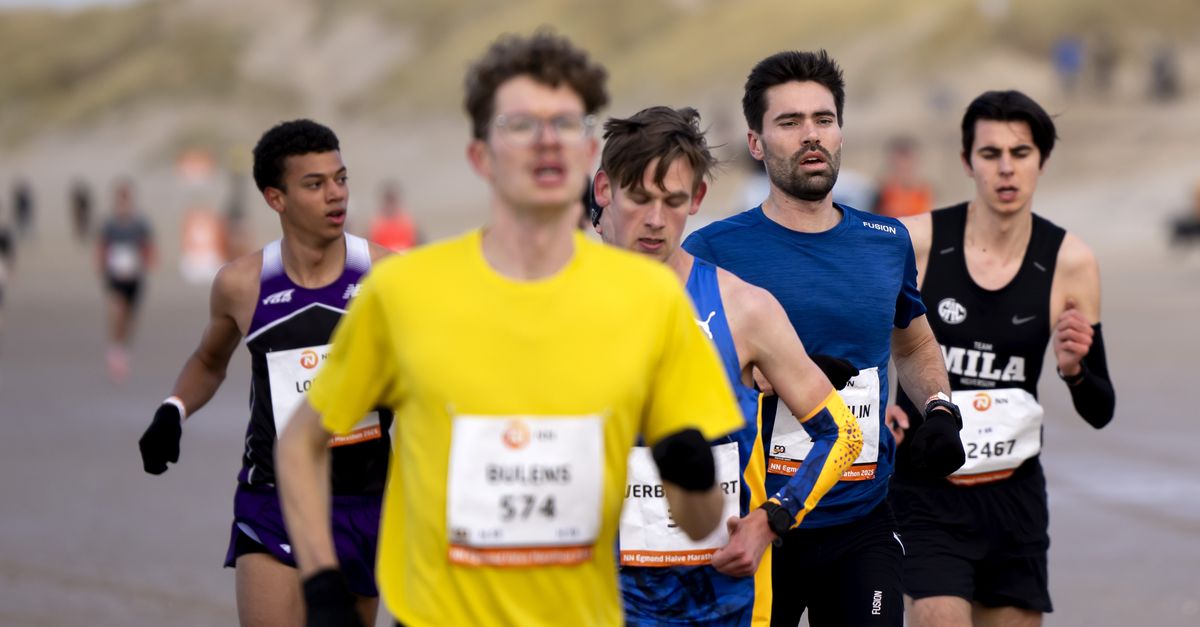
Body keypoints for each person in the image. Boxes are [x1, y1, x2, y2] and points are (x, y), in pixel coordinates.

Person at [274, 32, 743, 627]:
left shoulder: (651, 303)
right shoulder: (405, 292)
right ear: (481, 155)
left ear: (584, 160)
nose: (546, 139)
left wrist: (692, 472)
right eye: (522, 123)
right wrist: (321, 582)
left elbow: (701, 523)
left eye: (565, 123)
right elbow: (299, 442)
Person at [682, 50, 965, 627]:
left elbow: (911, 345)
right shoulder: (712, 251)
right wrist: (775, 377)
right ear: (756, 143)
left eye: (824, 119)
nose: (811, 136)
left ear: (840, 130)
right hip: (757, 524)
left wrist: (939, 408)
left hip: (862, 518)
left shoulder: (887, 241)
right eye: (789, 123)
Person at [591, 105, 863, 626]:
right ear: (605, 190)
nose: (654, 220)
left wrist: (773, 519)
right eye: (639, 198)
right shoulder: (558, 307)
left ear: (696, 199)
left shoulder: (743, 308)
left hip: (724, 602)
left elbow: (843, 434)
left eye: (672, 201)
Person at [137, 119, 393, 626]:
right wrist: (173, 410)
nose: (335, 195)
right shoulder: (241, 284)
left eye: (340, 179)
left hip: (363, 501)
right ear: (275, 198)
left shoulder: (389, 276)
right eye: (315, 184)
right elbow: (209, 362)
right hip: (272, 496)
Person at [887, 90, 1116, 627]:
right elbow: (864, 343)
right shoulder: (916, 243)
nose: (1006, 169)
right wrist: (881, 407)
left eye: (1021, 152)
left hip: (1014, 503)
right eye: (990, 154)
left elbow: (1100, 409)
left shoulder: (1071, 262)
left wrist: (1075, 369)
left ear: (1042, 161)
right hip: (926, 493)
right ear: (967, 162)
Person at [97, 179, 155, 382]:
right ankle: (115, 349)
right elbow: (102, 247)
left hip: (134, 276)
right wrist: (103, 268)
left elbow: (147, 246)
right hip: (115, 276)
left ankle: (123, 349)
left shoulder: (140, 223)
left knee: (130, 316)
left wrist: (146, 264)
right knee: (117, 311)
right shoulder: (110, 224)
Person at [873, 135, 933, 219]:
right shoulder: (881, 193)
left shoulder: (923, 193)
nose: (904, 167)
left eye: (909, 163)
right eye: (899, 165)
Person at [368, 182, 422, 252]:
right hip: (387, 259)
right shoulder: (376, 226)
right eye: (388, 202)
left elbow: (420, 245)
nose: (390, 206)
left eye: (392, 202)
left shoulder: (408, 223)